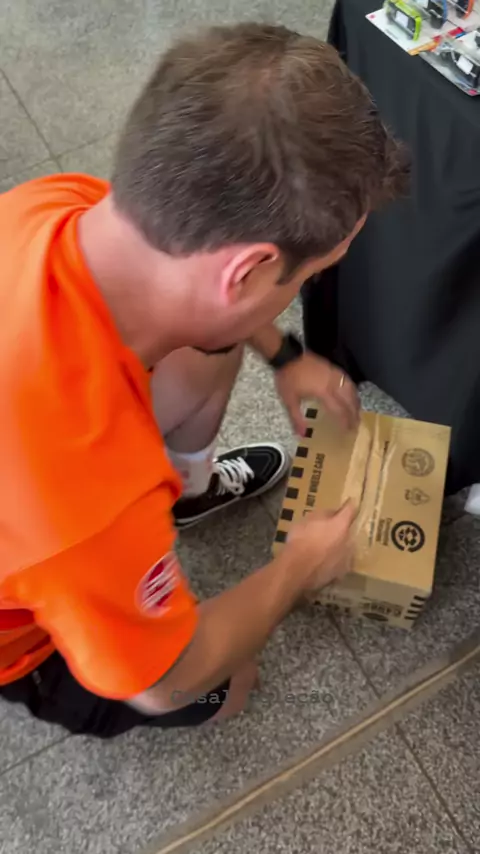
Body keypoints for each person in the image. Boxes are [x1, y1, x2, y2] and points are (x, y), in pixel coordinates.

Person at [0, 23, 408, 738]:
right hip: (26, 639)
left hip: (54, 486)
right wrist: (298, 568)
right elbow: (165, 682)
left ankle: (185, 497)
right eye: (310, 275)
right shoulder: (87, 489)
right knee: (228, 683)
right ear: (246, 271)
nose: (303, 290)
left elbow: (193, 287)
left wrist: (286, 356)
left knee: (206, 347)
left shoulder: (50, 205)